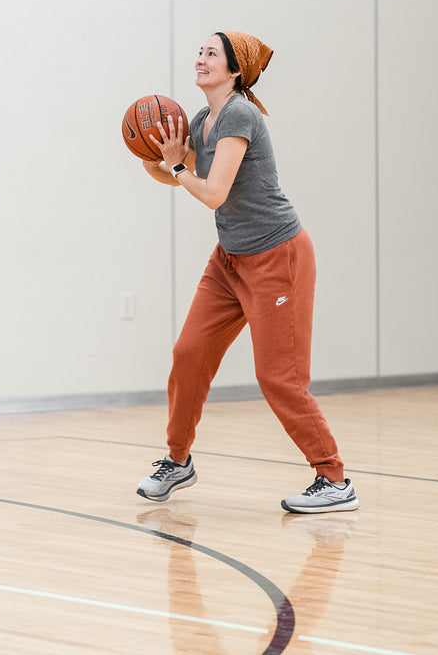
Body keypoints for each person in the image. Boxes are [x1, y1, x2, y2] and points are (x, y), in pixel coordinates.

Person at [136, 31, 359, 514]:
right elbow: (184, 170)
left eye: (211, 54)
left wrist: (177, 169)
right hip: (229, 260)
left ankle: (334, 478)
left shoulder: (240, 113)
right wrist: (156, 156)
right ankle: (177, 461)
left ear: (235, 70)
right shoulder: (203, 119)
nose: (200, 59)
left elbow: (211, 191)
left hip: (278, 257)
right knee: (189, 352)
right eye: (199, 52)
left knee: (279, 376)